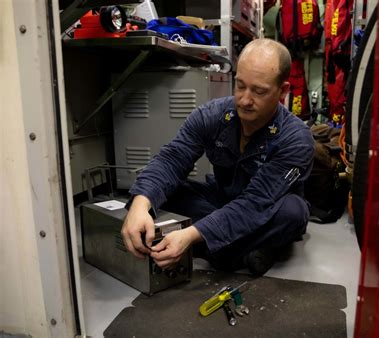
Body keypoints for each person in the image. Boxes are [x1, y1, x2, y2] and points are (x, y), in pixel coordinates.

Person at [121, 38, 315, 275]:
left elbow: (255, 203)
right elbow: (172, 159)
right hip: (221, 199)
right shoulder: (211, 116)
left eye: (259, 91)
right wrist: (141, 205)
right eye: (240, 85)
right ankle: (247, 250)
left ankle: (218, 253)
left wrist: (190, 236)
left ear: (283, 91)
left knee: (292, 213)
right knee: (163, 192)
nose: (244, 100)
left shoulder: (296, 139)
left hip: (266, 208)